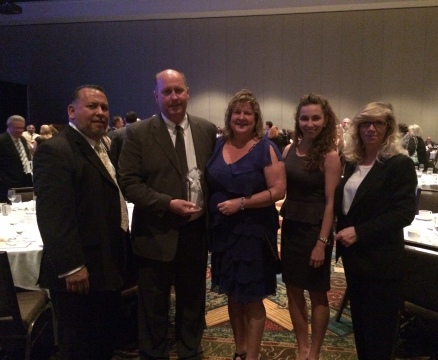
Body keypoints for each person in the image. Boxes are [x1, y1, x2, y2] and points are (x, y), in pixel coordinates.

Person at [118, 69, 217, 360]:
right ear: (156, 96)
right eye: (166, 92)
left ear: (188, 92)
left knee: (193, 299)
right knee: (153, 304)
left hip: (196, 233)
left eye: (178, 90)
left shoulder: (206, 130)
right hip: (155, 232)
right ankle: (153, 353)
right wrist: (166, 203)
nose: (174, 97)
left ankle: (189, 350)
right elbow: (129, 183)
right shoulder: (136, 133)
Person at [33, 85, 129, 360]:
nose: (100, 113)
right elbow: (54, 217)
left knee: (100, 340)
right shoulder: (56, 150)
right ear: (72, 111)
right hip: (79, 272)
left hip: (103, 264)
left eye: (105, 108)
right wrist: (72, 266)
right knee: (80, 345)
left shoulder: (100, 147)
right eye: (92, 106)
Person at [205, 89, 286, 360]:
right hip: (223, 233)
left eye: (247, 113)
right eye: (237, 112)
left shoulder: (266, 148)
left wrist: (241, 203)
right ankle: (239, 350)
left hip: (252, 233)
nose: (241, 117)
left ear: (256, 118)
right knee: (231, 293)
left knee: (252, 298)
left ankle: (252, 356)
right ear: (229, 117)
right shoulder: (218, 144)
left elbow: (278, 190)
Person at [334, 102, 417, 360]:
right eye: (365, 124)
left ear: (388, 128)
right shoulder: (352, 162)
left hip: (381, 258)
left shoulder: (399, 164)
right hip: (355, 256)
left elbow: (403, 213)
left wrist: (359, 231)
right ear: (357, 129)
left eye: (378, 123)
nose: (371, 129)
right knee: (361, 322)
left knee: (380, 329)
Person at [280, 93, 341, 360]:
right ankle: (302, 347)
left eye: (316, 118)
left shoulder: (330, 155)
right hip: (292, 226)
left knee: (317, 293)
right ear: (298, 120)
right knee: (293, 289)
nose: (310, 123)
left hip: (317, 230)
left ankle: (314, 352)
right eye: (304, 118)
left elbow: (331, 204)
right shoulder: (288, 150)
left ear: (325, 120)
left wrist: (322, 242)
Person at [0, 115, 33, 203]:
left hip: (24, 183)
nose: (20, 131)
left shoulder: (22, 139)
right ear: (9, 126)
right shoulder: (2, 140)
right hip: (7, 185)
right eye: (17, 128)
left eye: (22, 128)